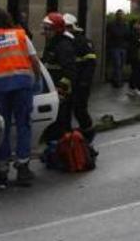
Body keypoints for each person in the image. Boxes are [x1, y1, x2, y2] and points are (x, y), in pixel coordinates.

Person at [0, 8, 42, 187]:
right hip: (22, 85)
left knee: (1, 128)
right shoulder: (20, 35)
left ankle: (2, 170)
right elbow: (34, 60)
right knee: (23, 125)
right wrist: (37, 79)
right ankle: (23, 168)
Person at [40, 12, 77, 143]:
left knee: (61, 125)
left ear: (56, 29)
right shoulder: (52, 43)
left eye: (47, 29)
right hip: (53, 90)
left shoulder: (63, 46)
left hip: (60, 93)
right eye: (44, 28)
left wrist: (61, 91)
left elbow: (70, 72)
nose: (44, 31)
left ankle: (64, 153)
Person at [67, 13, 97, 143]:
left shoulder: (82, 42)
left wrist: (84, 81)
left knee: (80, 109)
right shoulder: (65, 41)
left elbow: (91, 63)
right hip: (70, 82)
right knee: (69, 110)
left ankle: (88, 132)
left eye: (67, 27)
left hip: (81, 83)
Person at [106, 9, 129, 88]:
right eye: (119, 14)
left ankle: (116, 79)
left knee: (121, 65)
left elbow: (127, 35)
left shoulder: (125, 25)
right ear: (116, 15)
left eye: (122, 14)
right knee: (117, 64)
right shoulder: (111, 24)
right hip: (115, 47)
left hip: (123, 47)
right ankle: (118, 82)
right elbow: (113, 34)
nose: (120, 16)